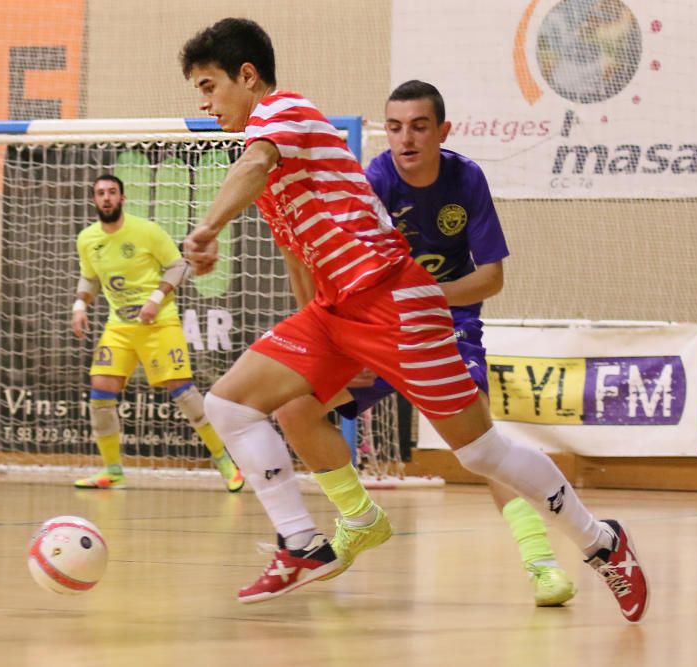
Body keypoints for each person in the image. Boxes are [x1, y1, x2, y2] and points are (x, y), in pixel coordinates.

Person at [179, 18, 648, 621]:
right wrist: (313, 353)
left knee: (481, 454)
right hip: (335, 310)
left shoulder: (283, 112)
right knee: (231, 405)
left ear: (248, 76)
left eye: (210, 85)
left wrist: (210, 226)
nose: (205, 102)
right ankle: (307, 538)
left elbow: (252, 164)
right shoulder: (272, 172)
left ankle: (600, 541)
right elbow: (296, 253)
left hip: (392, 301)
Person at [274, 80, 576, 607]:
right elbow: (338, 268)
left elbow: (490, 279)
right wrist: (347, 338)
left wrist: (423, 297)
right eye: (394, 127)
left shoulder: (466, 180)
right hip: (378, 324)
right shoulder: (373, 182)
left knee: (482, 449)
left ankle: (541, 564)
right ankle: (356, 520)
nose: (405, 139)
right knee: (297, 407)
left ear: (442, 131)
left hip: (447, 324)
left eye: (418, 126)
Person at [70, 174, 244, 493]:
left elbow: (177, 266)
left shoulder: (146, 231)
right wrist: (79, 306)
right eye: (100, 193)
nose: (106, 197)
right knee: (100, 391)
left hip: (159, 322)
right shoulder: (87, 239)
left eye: (112, 192)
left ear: (122, 198)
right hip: (119, 326)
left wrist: (154, 300)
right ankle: (113, 471)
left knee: (184, 393)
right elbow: (90, 278)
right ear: (94, 200)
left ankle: (225, 463)